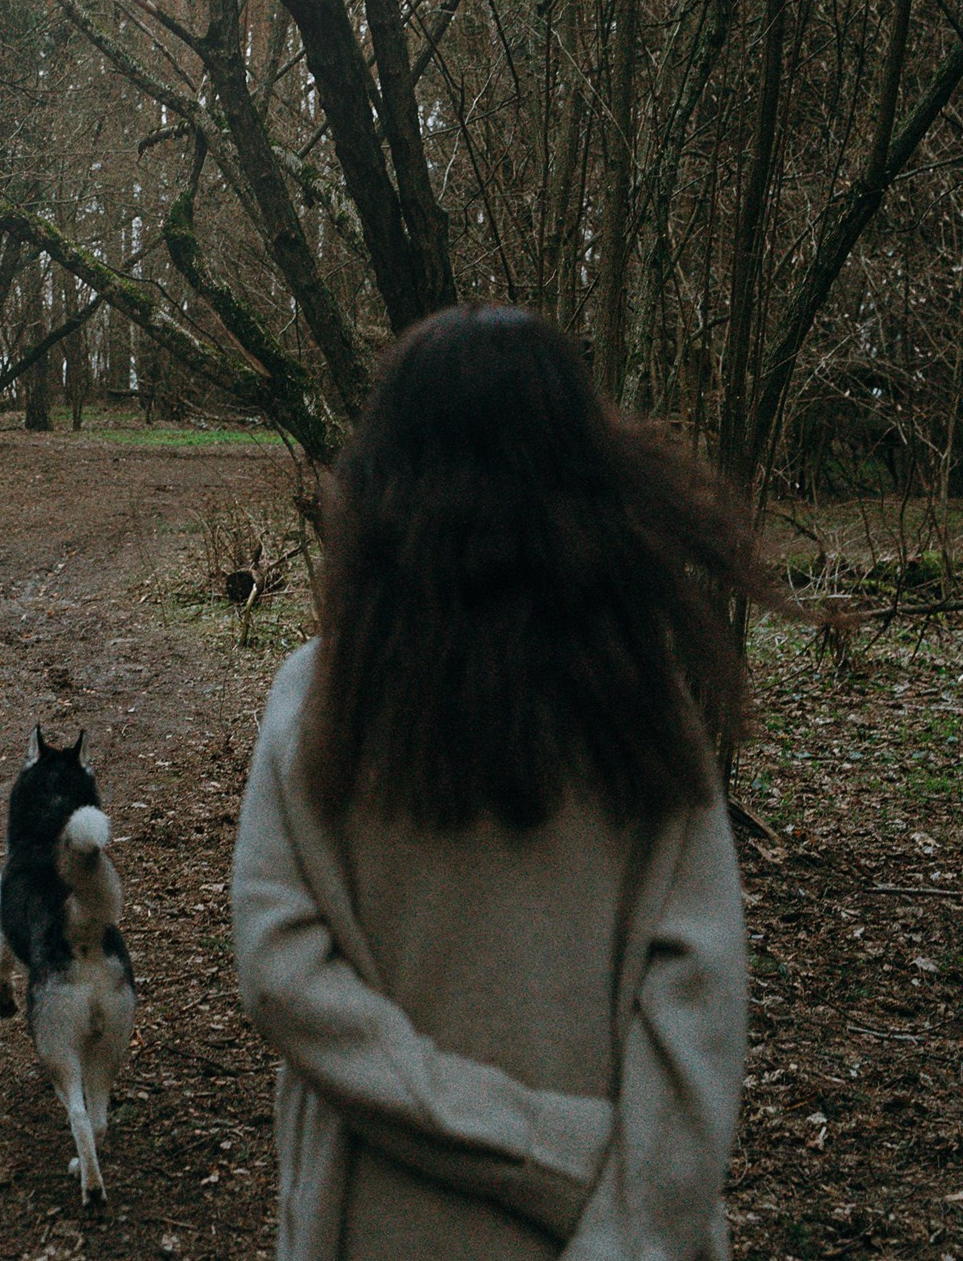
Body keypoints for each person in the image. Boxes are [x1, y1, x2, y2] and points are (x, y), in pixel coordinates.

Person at [234, 306, 788, 1260]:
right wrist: (603, 1208)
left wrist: (524, 1144)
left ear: (385, 482)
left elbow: (285, 977)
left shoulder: (319, 702)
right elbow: (697, 1014)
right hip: (605, 1228)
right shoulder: (641, 712)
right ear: (583, 475)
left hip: (374, 1224)